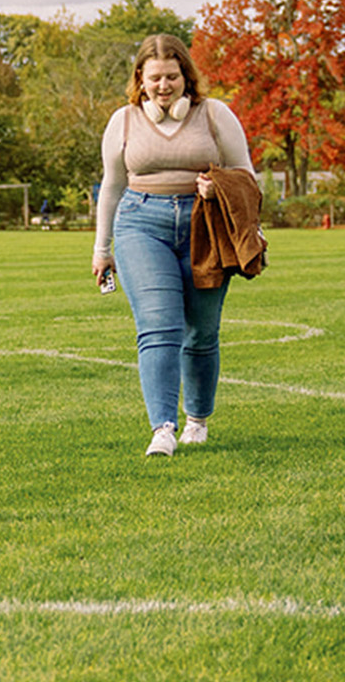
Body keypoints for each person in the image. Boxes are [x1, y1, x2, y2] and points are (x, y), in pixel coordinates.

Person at [89, 35, 255, 457]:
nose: (164, 86)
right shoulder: (123, 121)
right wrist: (101, 248)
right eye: (155, 78)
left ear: (186, 77)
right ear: (140, 80)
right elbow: (111, 187)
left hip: (205, 229)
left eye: (173, 76)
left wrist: (219, 188)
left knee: (201, 333)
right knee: (159, 326)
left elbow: (246, 175)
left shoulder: (214, 115)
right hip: (141, 225)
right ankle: (162, 427)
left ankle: (197, 419)